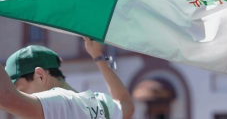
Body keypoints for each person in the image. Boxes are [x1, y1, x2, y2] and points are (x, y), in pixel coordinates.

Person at [0, 37, 134, 119]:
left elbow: (6, 98)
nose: (23, 97)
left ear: (40, 76)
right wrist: (98, 56)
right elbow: (127, 105)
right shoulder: (101, 103)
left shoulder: (58, 101)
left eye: (21, 90)